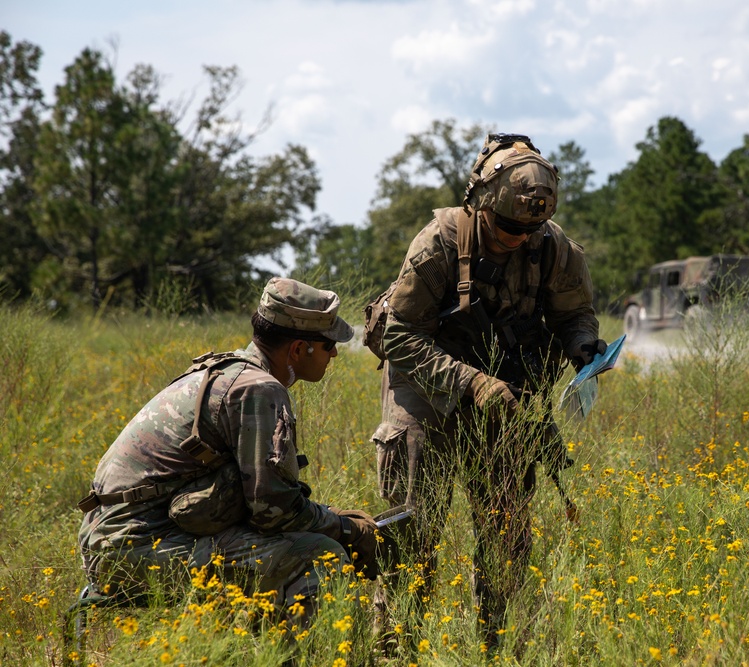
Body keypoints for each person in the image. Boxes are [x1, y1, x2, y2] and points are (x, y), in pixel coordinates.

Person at [370, 133, 605, 651]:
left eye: (531, 227)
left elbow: (576, 313)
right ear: (479, 204)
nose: (520, 237)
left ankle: (502, 648)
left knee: (508, 534)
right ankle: (396, 651)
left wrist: (583, 346)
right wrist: (472, 381)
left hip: (506, 394)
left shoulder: (553, 247)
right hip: (426, 389)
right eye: (508, 226)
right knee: (414, 530)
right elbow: (398, 336)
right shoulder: (438, 243)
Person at [77, 277, 379, 629]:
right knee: (319, 555)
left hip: (113, 537)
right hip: (133, 549)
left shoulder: (226, 370)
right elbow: (273, 512)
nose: (336, 354)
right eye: (328, 345)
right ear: (299, 349)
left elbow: (257, 503)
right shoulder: (260, 389)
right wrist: (345, 528)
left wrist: (329, 517)